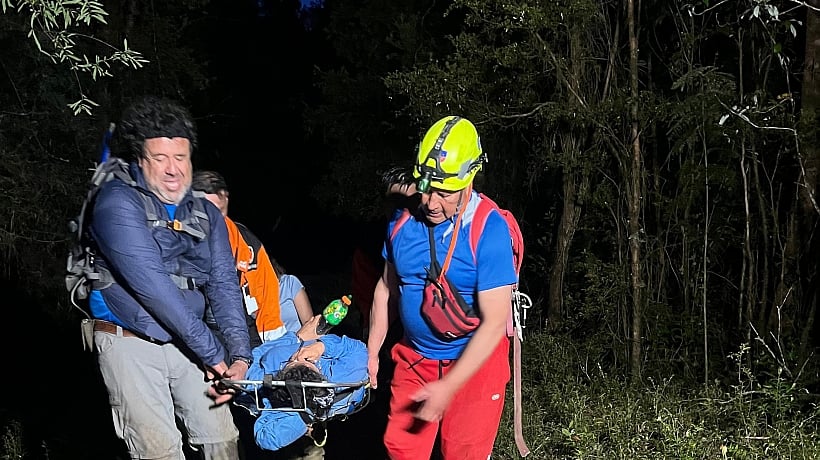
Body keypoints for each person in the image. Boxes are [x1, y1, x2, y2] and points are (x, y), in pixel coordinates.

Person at [86, 96, 252, 459]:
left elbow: (224, 284)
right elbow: (154, 288)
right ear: (140, 160)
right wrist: (213, 354)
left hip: (189, 342)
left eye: (180, 158)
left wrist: (239, 356)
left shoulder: (207, 212)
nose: (173, 169)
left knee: (222, 440)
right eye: (160, 159)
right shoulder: (116, 202)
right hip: (130, 339)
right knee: (160, 451)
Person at [366, 116, 517, 459]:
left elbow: (495, 322)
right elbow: (386, 288)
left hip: (475, 365)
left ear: (469, 180)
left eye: (445, 193)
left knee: (463, 454)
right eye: (426, 189)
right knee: (401, 449)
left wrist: (449, 387)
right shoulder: (401, 223)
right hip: (415, 359)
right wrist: (373, 350)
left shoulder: (489, 231)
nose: (431, 203)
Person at [236, 315, 368, 455]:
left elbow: (265, 438)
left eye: (294, 360)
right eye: (304, 361)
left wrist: (311, 343)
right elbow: (359, 350)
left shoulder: (275, 360)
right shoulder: (343, 373)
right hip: (339, 403)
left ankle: (315, 425)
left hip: (338, 403)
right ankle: (314, 426)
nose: (299, 355)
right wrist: (321, 346)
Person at [193, 170, 288, 343]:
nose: (214, 220)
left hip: (244, 330)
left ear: (225, 198)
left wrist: (275, 344)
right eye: (206, 212)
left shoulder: (246, 241)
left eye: (218, 211)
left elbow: (266, 291)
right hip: (199, 330)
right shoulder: (182, 238)